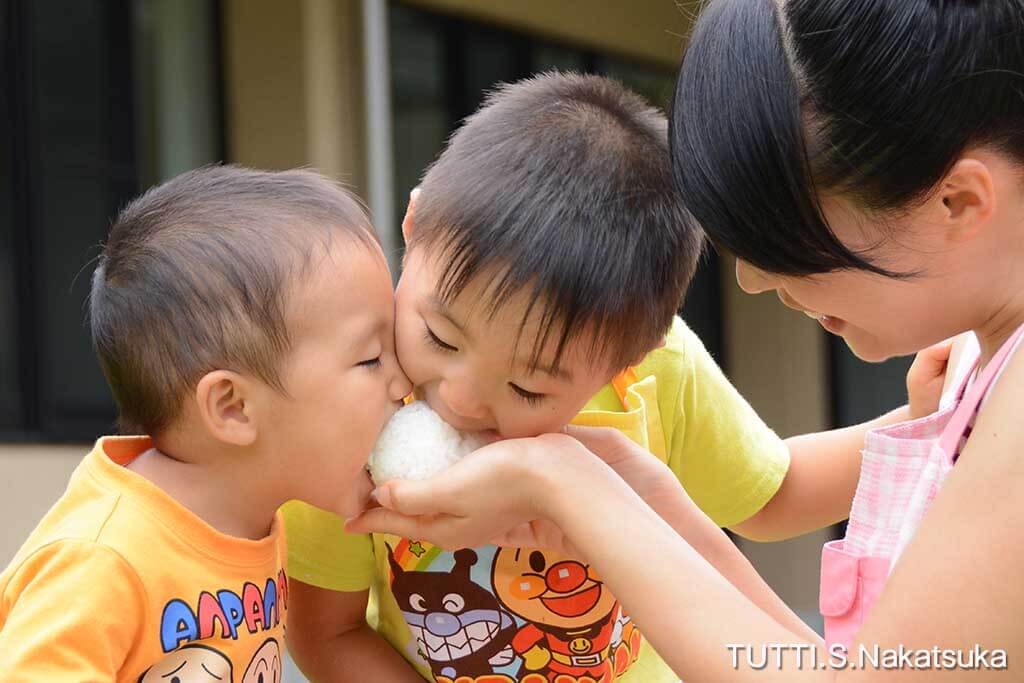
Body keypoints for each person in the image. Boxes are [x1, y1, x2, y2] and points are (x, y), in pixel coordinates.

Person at [351, 1, 1024, 679]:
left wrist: (564, 481)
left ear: (959, 201)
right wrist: (640, 494)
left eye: (784, 238)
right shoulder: (981, 361)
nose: (755, 279)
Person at [0, 165, 411, 680]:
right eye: (372, 358)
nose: (403, 383)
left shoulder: (256, 518)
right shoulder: (103, 558)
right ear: (233, 407)